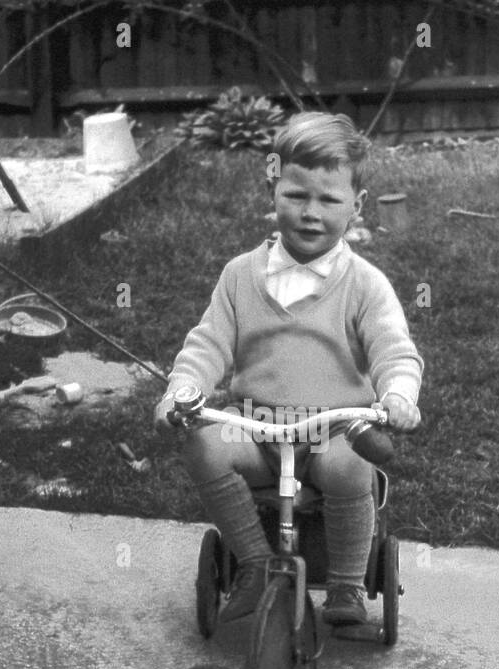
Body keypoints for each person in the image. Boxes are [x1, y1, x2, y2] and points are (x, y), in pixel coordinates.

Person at [154, 112, 423, 627]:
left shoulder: (364, 284)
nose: (310, 213)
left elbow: (394, 350)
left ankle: (346, 587)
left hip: (334, 429)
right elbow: (207, 344)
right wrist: (183, 390)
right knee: (203, 444)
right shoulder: (239, 276)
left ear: (357, 207)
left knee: (350, 467)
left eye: (329, 200)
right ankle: (255, 563)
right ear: (273, 190)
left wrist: (398, 395)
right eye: (296, 195)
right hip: (255, 430)